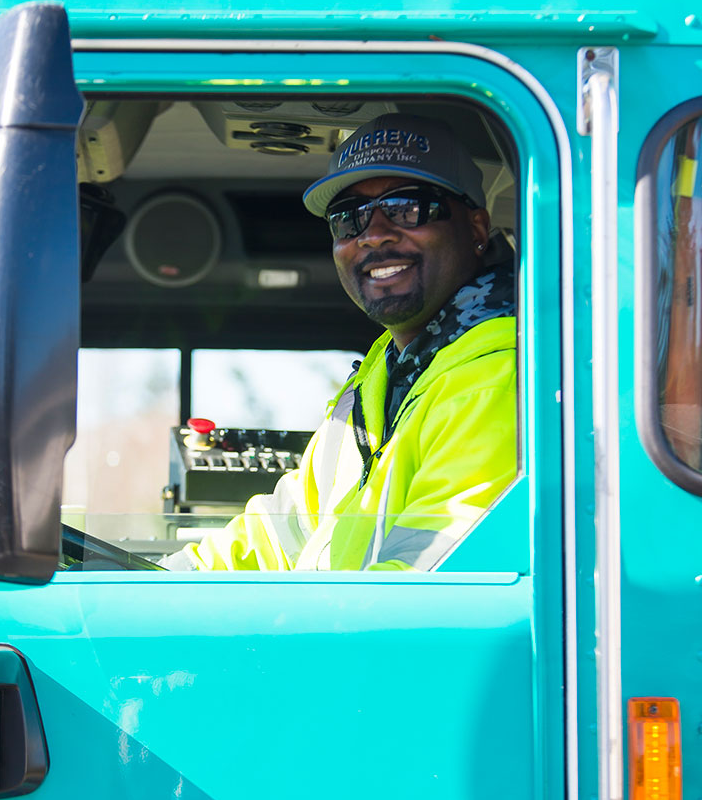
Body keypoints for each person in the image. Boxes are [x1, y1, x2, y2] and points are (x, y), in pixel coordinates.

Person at [167, 114, 517, 572]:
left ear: (475, 228)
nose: (373, 234)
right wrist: (159, 582)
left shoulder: (497, 377)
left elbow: (428, 594)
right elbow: (285, 530)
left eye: (407, 208)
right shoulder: (383, 375)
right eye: (348, 219)